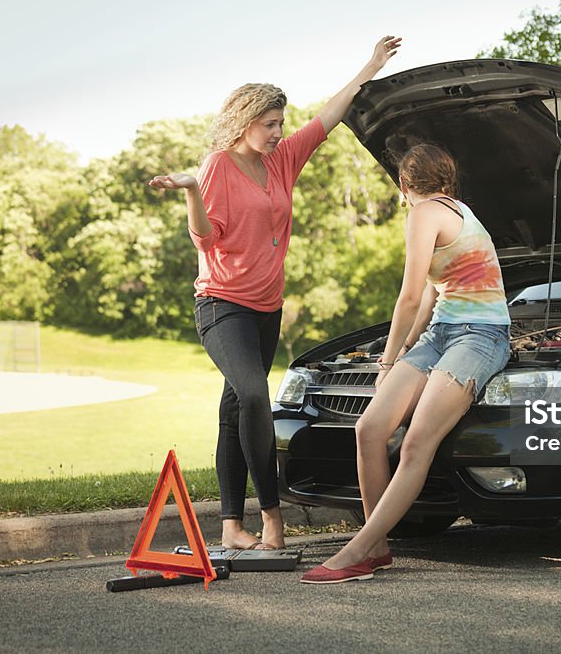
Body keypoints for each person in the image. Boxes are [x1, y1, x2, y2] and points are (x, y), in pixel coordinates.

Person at [149, 36, 401, 551]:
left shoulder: (283, 159)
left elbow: (329, 117)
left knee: (235, 409)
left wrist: (370, 66)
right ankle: (271, 519)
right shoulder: (217, 166)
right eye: (269, 124)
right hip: (222, 304)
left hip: (267, 308)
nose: (277, 132)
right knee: (257, 397)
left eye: (281, 124)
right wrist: (193, 190)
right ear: (245, 121)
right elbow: (205, 238)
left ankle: (230, 527)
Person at [300, 143, 512, 583]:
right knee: (370, 428)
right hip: (441, 333)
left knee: (416, 443)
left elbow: (410, 295)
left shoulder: (423, 213)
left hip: (482, 336)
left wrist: (387, 361)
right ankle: (375, 547)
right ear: (446, 178)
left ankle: (356, 550)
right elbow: (435, 293)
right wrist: (410, 348)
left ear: (403, 184)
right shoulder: (457, 211)